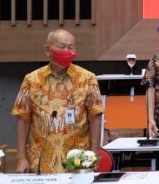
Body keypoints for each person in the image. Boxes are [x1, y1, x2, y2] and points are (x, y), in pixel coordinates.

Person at [11, 29, 103, 173]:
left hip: (77, 161)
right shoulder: (32, 80)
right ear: (47, 50)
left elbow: (95, 117)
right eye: (62, 47)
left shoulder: (87, 79)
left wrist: (94, 153)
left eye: (71, 47)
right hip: (40, 160)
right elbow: (23, 119)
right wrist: (21, 158)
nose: (67, 51)